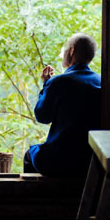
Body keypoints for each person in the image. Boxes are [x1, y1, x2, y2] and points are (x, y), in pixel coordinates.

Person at [23, 33, 101, 177]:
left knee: (30, 155)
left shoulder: (59, 82)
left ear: (71, 51)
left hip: (61, 159)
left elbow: (42, 116)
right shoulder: (102, 82)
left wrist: (47, 84)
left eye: (65, 49)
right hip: (92, 160)